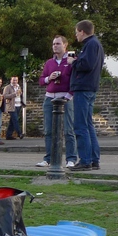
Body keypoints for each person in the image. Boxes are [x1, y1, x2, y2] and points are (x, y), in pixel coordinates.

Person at [36, 35, 77, 168]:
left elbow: (75, 80)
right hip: (50, 98)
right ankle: (48, 158)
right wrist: (49, 78)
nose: (55, 46)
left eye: (58, 44)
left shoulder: (71, 61)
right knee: (48, 130)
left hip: (65, 98)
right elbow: (41, 81)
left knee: (68, 130)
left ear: (65, 45)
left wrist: (69, 96)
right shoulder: (49, 63)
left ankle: (71, 159)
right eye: (53, 44)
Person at [68, 20, 104, 171]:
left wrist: (73, 63)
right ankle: (94, 159)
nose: (76, 35)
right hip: (90, 87)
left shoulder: (90, 44)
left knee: (81, 125)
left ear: (82, 31)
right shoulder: (96, 45)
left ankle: (85, 160)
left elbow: (87, 65)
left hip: (83, 88)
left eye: (76, 32)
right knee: (88, 125)